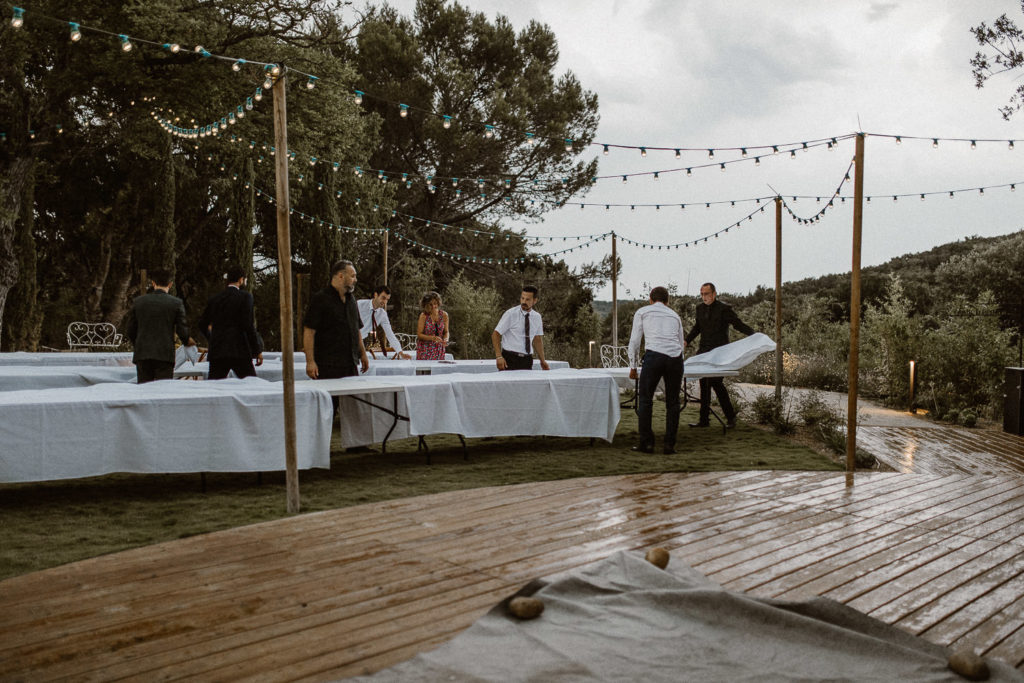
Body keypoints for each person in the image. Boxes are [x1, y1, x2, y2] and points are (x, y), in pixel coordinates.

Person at [685, 281, 755, 428]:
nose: (704, 297)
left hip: (720, 353)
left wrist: (753, 334)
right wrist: (686, 341)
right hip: (704, 352)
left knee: (716, 383)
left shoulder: (724, 309)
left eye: (707, 294)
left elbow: (737, 324)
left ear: (714, 294)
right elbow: (697, 328)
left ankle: (730, 418)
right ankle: (704, 421)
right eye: (702, 294)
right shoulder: (699, 308)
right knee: (703, 383)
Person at [627, 286, 685, 454]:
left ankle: (647, 443)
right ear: (667, 301)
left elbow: (635, 341)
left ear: (650, 299)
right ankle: (669, 445)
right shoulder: (675, 315)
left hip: (654, 356)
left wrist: (633, 366)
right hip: (675, 358)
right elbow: (681, 343)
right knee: (673, 402)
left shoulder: (643, 312)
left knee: (645, 399)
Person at [303, 260, 370, 384]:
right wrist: (310, 361)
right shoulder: (321, 299)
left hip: (350, 363)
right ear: (340, 276)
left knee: (351, 401)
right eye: (353, 276)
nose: (355, 280)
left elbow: (356, 329)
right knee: (330, 402)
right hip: (327, 364)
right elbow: (309, 331)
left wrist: (363, 354)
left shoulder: (352, 300)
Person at [125, 268, 195, 384]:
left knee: (143, 390)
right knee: (163, 390)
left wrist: (138, 344)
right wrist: (187, 340)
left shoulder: (139, 302)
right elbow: (182, 330)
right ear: (170, 284)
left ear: (153, 283)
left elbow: (130, 330)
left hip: (143, 353)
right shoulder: (176, 303)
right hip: (165, 354)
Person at [197, 265, 264, 379]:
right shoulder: (245, 297)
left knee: (215, 387)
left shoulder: (215, 299)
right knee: (250, 384)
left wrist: (212, 338)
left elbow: (202, 324)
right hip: (240, 349)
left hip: (218, 350)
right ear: (241, 280)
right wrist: (257, 350)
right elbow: (248, 325)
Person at [492, 285, 550, 371]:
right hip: (509, 359)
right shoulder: (511, 314)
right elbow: (495, 334)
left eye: (527, 299)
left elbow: (537, 339)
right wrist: (499, 356)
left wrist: (542, 361)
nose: (524, 301)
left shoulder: (537, 317)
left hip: (527, 360)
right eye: (522, 298)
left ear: (535, 301)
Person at [359, 284, 411, 359]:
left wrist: (400, 353)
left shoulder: (382, 314)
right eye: (383, 298)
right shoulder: (360, 305)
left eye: (387, 299)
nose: (385, 302)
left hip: (359, 342)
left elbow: (390, 334)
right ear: (376, 295)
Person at [415, 291, 449, 360]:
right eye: (430, 304)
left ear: (438, 303)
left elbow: (446, 332)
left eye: (435, 303)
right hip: (424, 350)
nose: (433, 306)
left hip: (439, 350)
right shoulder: (423, 316)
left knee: (439, 369)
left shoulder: (444, 315)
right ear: (426, 305)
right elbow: (419, 335)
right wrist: (433, 338)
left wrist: (446, 339)